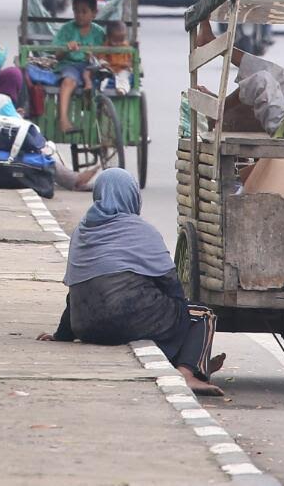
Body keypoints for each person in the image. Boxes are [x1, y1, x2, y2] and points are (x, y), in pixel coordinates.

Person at [37, 168, 226, 396]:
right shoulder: (141, 230)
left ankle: (190, 360)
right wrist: (180, 313)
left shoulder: (82, 232)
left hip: (86, 328)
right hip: (130, 320)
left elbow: (78, 289)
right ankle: (188, 373)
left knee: (167, 313)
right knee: (201, 315)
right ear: (132, 196)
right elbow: (171, 284)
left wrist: (62, 335)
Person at [53, 0, 106, 135]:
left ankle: (95, 120)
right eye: (76, 11)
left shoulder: (99, 32)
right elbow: (57, 55)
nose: (79, 15)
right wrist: (66, 49)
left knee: (96, 77)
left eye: (84, 11)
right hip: (70, 65)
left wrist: (93, 55)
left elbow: (104, 55)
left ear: (94, 13)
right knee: (68, 81)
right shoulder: (67, 29)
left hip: (91, 67)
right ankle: (63, 119)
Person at [97, 20, 133, 95]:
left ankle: (121, 89)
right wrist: (105, 64)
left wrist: (129, 64)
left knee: (124, 77)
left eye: (121, 40)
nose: (118, 44)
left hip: (122, 68)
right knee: (103, 76)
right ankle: (102, 89)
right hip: (109, 68)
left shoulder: (126, 46)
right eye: (115, 41)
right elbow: (101, 57)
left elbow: (130, 58)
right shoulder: (105, 46)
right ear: (108, 38)